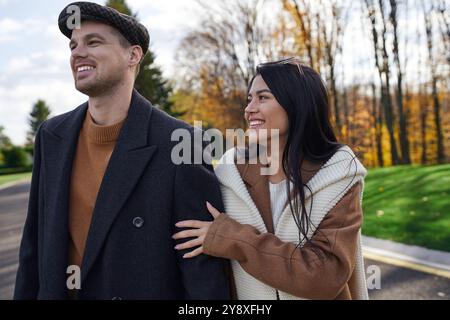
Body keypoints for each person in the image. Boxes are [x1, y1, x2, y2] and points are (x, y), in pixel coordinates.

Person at [14, 1, 229, 300]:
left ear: (133, 54)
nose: (77, 53)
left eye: (93, 42)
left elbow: (202, 273)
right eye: (73, 45)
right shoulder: (52, 136)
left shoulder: (181, 142)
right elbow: (33, 249)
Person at [173, 57, 369, 300]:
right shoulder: (228, 174)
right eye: (249, 99)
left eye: (263, 98)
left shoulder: (338, 175)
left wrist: (232, 238)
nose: (249, 109)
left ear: (296, 103)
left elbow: (324, 277)